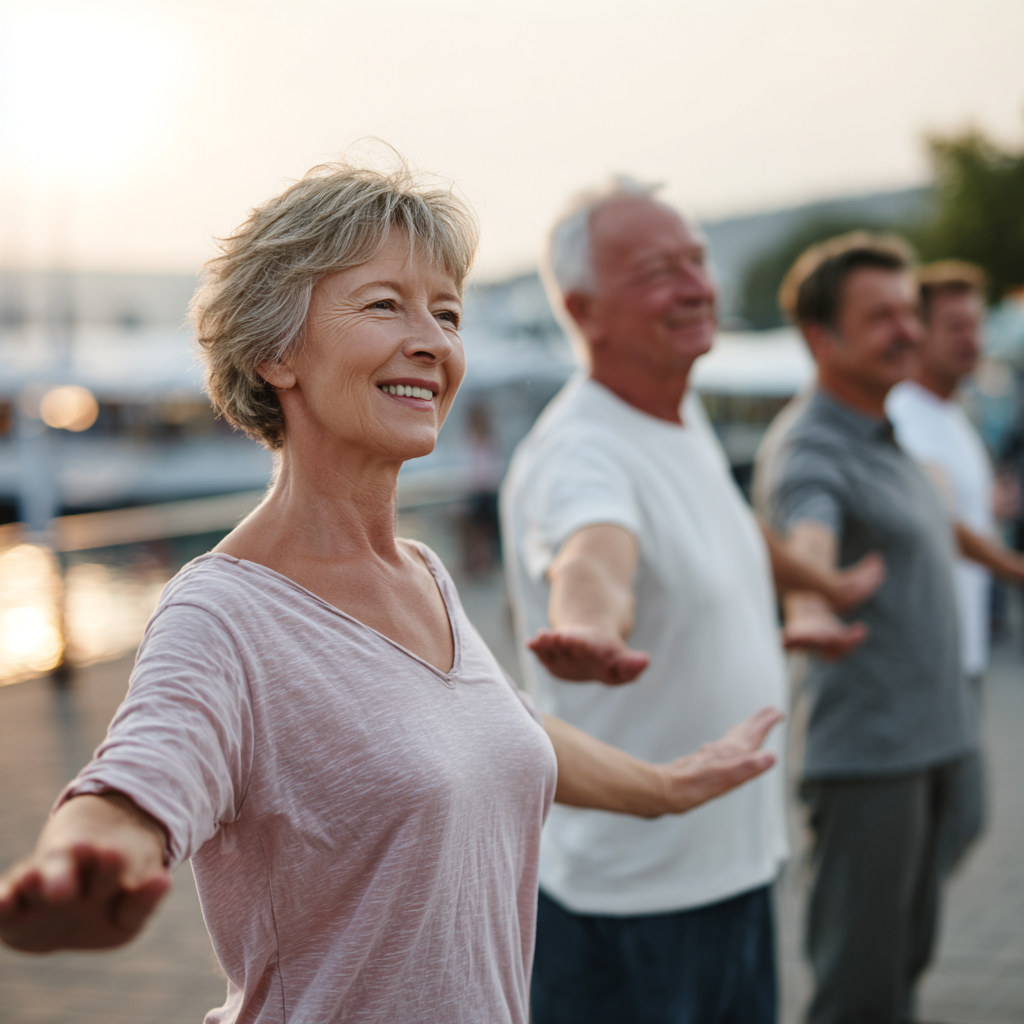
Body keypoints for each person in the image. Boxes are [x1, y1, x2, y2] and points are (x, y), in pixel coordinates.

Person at [0, 165, 782, 1024]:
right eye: (383, 306)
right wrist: (86, 856)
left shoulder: (425, 576)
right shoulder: (223, 613)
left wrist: (666, 789)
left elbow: (501, 726)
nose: (432, 343)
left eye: (446, 315)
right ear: (275, 350)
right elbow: (143, 772)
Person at [501, 179, 882, 1024]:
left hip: (730, 869)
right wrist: (591, 627)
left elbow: (726, 522)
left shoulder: (675, 412)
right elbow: (593, 555)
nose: (695, 286)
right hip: (632, 908)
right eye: (656, 271)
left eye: (697, 262)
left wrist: (814, 591)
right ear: (584, 308)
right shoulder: (581, 450)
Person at [753, 233, 989, 1024]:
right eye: (881, 316)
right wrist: (814, 599)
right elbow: (804, 534)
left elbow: (945, 532)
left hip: (933, 740)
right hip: (871, 761)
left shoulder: (886, 431)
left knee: (900, 972)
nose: (908, 331)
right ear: (822, 338)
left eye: (908, 311)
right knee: (860, 993)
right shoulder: (810, 447)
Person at [887, 261, 1024, 871]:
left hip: (963, 650)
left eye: (975, 325)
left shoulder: (951, 413)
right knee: (953, 819)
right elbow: (941, 523)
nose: (973, 339)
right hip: (931, 658)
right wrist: (1014, 568)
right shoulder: (909, 415)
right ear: (917, 331)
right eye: (956, 327)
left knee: (950, 824)